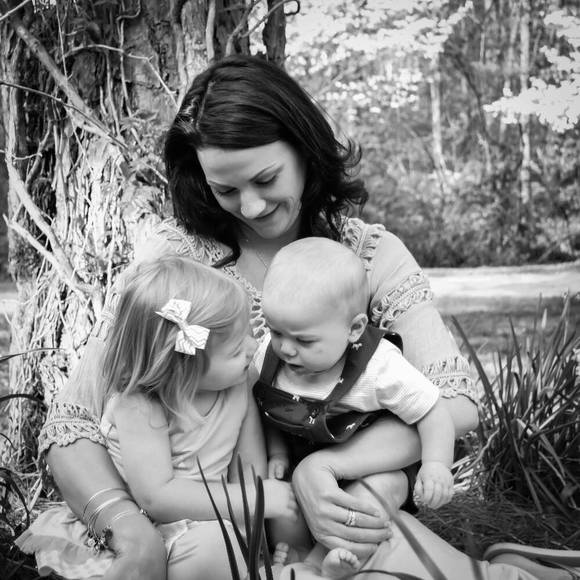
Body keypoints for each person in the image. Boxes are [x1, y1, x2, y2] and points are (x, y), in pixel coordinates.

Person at [40, 54, 479, 578]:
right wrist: (132, 532)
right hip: (212, 518)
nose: (250, 207)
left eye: (266, 179)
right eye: (226, 190)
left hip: (345, 507)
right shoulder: (178, 261)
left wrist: (327, 466)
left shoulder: (368, 257)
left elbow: (455, 405)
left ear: (304, 148)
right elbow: (73, 421)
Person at [17, 256, 297, 580]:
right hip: (154, 527)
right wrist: (251, 501)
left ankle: (273, 560)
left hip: (214, 514)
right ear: (183, 367)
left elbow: (248, 468)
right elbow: (156, 497)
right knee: (214, 549)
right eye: (236, 350)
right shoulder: (140, 405)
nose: (253, 347)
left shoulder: (239, 381)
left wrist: (256, 523)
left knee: (282, 510)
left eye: (248, 333)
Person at [253, 237, 455, 562]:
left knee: (369, 498)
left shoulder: (378, 366)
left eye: (305, 340)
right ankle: (295, 556)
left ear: (354, 328)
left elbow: (431, 408)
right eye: (276, 332)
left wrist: (436, 465)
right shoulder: (269, 356)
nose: (286, 348)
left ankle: (332, 560)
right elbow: (267, 409)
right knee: (282, 505)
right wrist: (277, 452)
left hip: (369, 468)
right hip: (300, 467)